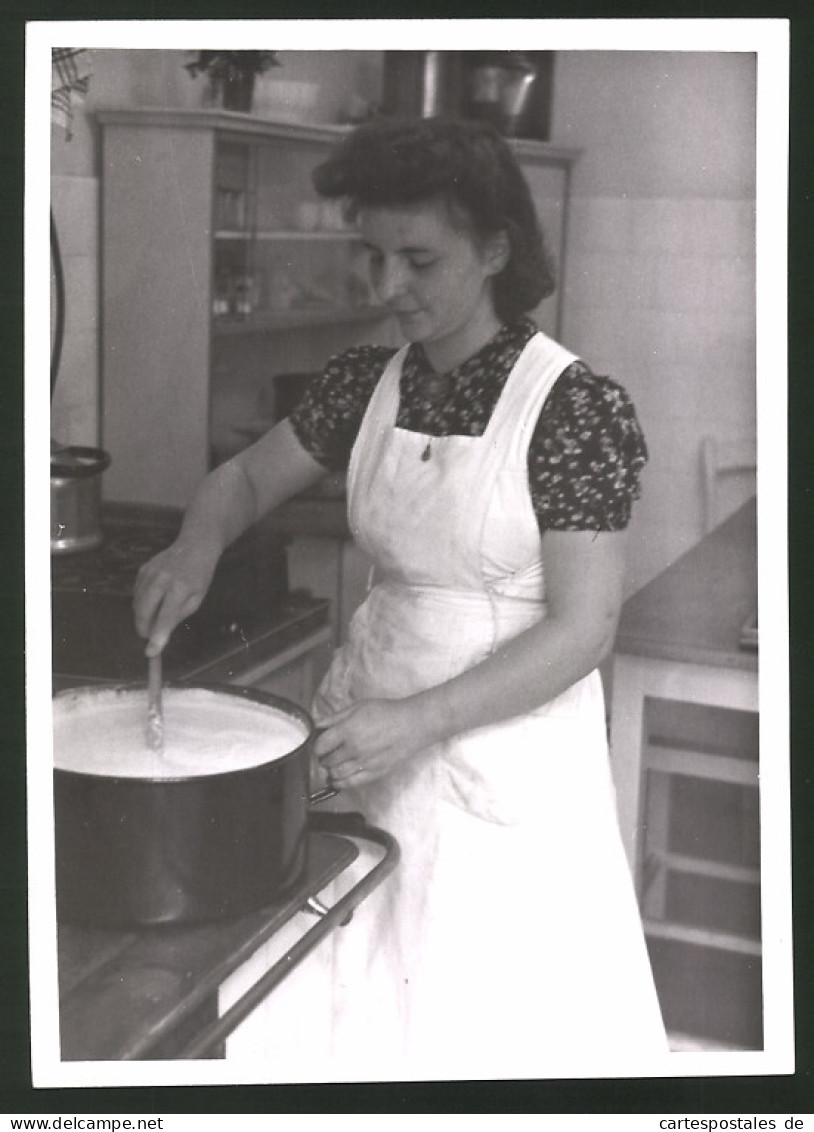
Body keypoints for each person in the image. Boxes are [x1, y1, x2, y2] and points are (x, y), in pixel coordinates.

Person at [135, 117, 667, 1079]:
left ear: (497, 249)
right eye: (373, 256)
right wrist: (194, 543)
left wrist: (421, 720)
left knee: (473, 1027)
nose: (387, 289)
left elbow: (585, 627)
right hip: (368, 723)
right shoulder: (365, 383)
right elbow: (247, 478)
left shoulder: (574, 408)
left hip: (502, 759)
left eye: (418, 260)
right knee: (340, 1006)